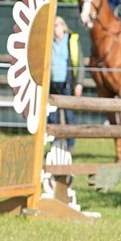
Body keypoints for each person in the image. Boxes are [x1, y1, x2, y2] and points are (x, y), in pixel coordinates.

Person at [48, 15, 84, 150]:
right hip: (52, 83)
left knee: (69, 115)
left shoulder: (71, 41)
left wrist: (79, 83)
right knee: (52, 115)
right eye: (54, 26)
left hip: (67, 83)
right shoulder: (49, 41)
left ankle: (70, 144)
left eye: (57, 25)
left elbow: (79, 63)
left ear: (64, 27)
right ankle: (55, 142)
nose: (56, 29)